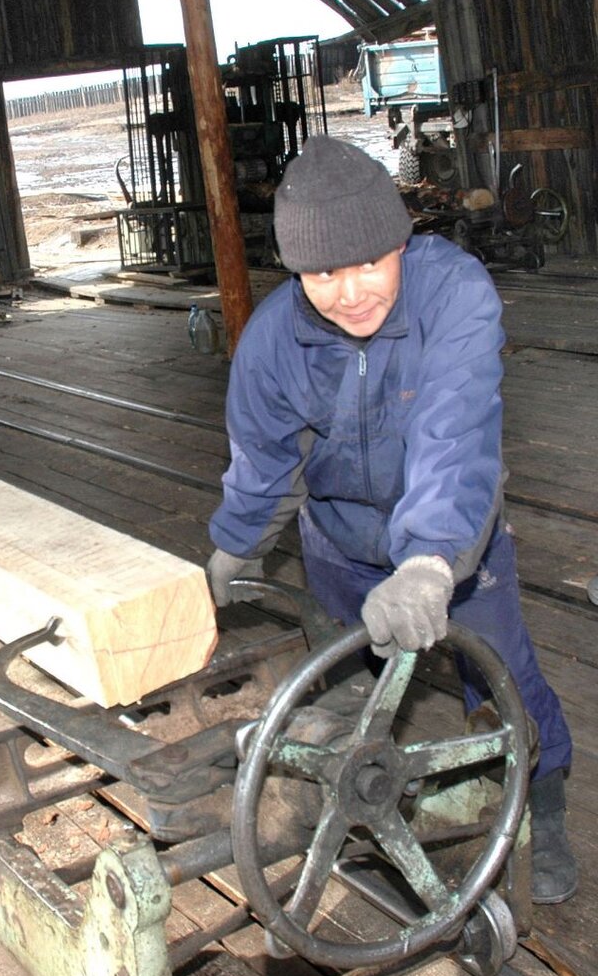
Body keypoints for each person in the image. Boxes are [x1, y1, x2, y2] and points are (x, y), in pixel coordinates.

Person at [206, 135, 576, 904]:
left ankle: (542, 795)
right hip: (339, 548)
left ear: (401, 240)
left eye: (371, 261)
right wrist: (233, 549)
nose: (350, 292)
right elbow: (264, 460)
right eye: (322, 273)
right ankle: (366, 810)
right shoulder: (275, 341)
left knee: (501, 672)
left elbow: (456, 433)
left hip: (455, 545)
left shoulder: (454, 296)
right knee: (349, 695)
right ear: (296, 271)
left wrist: (432, 560)